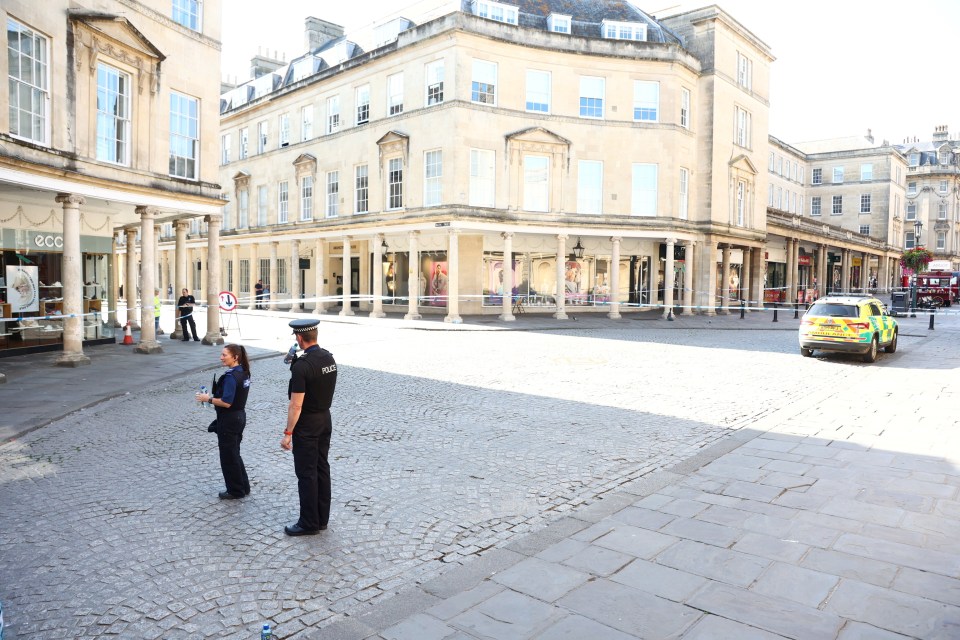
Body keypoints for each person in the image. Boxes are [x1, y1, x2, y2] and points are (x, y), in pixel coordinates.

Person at [281, 318, 338, 536]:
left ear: (299, 337)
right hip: (325, 419)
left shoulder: (303, 366)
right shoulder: (328, 358)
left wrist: (288, 434)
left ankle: (308, 522)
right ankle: (321, 518)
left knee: (306, 473)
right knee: (322, 468)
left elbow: (296, 405)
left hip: (307, 423)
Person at [196, 345, 252, 500]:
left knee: (228, 456)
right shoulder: (244, 372)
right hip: (240, 416)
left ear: (235, 357)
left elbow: (227, 402)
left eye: (224, 355)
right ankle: (244, 486)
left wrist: (208, 399)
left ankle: (235, 490)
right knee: (235, 452)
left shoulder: (230, 377)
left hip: (229, 419)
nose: (221, 357)